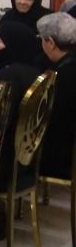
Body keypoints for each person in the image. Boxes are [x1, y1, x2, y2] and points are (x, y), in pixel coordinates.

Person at [36, 12, 75, 184]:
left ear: (50, 42)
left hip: (61, 156)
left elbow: (51, 119)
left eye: (41, 39)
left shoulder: (61, 76)